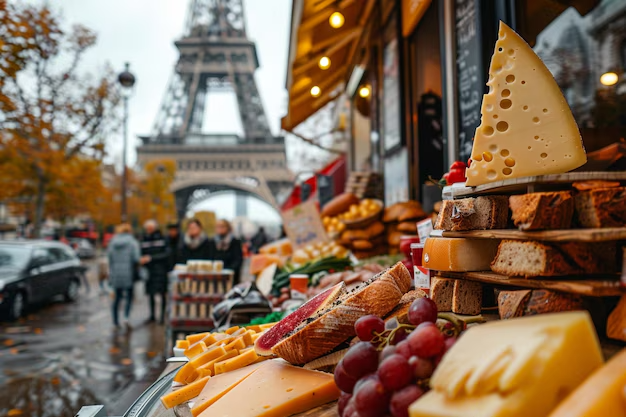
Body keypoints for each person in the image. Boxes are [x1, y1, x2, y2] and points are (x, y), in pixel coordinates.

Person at [107, 223, 140, 328]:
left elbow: (110, 258)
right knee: (129, 297)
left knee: (117, 298)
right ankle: (126, 317)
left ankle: (115, 321)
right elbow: (136, 258)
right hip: (128, 273)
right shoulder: (132, 242)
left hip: (116, 273)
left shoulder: (112, 242)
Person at [140, 220, 170, 324]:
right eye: (147, 228)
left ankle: (162, 316)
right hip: (149, 271)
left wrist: (151, 258)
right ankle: (152, 316)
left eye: (150, 228)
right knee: (151, 294)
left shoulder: (162, 238)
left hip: (160, 270)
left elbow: (166, 254)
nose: (149, 230)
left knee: (162, 294)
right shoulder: (144, 239)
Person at [209, 219, 244, 284]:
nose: (220, 229)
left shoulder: (235, 242)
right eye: (218, 226)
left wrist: (228, 270)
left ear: (228, 228)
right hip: (215, 276)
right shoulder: (212, 242)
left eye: (222, 226)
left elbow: (238, 259)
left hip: (230, 277)